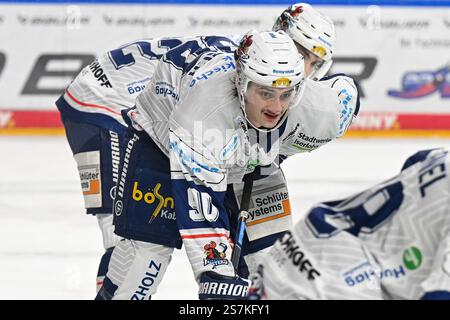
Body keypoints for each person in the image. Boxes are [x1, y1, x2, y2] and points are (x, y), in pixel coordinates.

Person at [55, 2, 349, 293]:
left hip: (186, 120)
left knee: (268, 255)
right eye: (301, 54)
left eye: (316, 63)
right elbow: (203, 207)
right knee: (142, 247)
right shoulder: (207, 106)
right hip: (104, 100)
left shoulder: (292, 87)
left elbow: (341, 99)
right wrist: (216, 274)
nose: (306, 70)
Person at [250, 148, 450, 300]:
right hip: (336, 284)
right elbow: (439, 293)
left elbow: (415, 163)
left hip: (300, 245)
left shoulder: (441, 155)